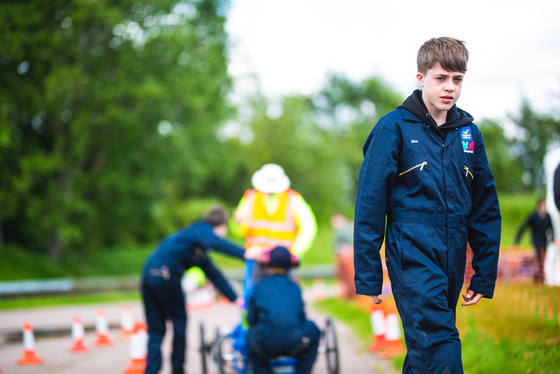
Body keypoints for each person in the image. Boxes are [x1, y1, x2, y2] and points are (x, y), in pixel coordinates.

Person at [353, 37, 501, 374]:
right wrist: (369, 272)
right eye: (441, 78)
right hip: (411, 251)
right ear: (421, 78)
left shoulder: (469, 133)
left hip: (452, 253)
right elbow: (370, 203)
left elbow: (485, 206)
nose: (450, 87)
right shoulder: (393, 127)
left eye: (457, 79)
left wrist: (484, 272)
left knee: (425, 352)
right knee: (438, 340)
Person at [141, 206, 253, 374]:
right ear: (222, 226)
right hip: (165, 274)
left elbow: (214, 274)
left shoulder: (196, 245)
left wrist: (234, 298)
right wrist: (245, 254)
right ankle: (177, 370)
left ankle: (152, 370)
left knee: (156, 330)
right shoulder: (201, 229)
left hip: (149, 274)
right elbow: (216, 243)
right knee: (179, 324)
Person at [231, 163, 317, 281]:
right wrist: (238, 224)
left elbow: (309, 227)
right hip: (257, 258)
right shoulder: (250, 198)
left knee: (282, 295)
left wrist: (295, 252)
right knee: (256, 295)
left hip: (282, 260)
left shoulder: (293, 199)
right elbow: (239, 230)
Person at [246, 246, 320, 374]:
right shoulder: (295, 287)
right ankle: (302, 371)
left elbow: (251, 319)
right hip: (295, 343)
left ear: (267, 263)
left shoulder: (259, 286)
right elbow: (301, 316)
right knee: (313, 329)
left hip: (266, 345)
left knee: (249, 336)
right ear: (292, 264)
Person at [514, 198, 554, 282]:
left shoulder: (548, 216)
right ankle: (540, 276)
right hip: (536, 238)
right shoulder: (533, 216)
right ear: (539, 205)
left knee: (543, 257)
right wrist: (517, 239)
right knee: (539, 255)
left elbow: (550, 229)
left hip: (544, 239)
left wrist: (551, 237)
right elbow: (524, 226)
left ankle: (539, 275)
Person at [331, 213, 356, 298]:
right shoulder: (341, 230)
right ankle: (349, 294)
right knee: (345, 277)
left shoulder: (344, 229)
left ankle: (353, 294)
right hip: (342, 254)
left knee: (350, 276)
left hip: (347, 254)